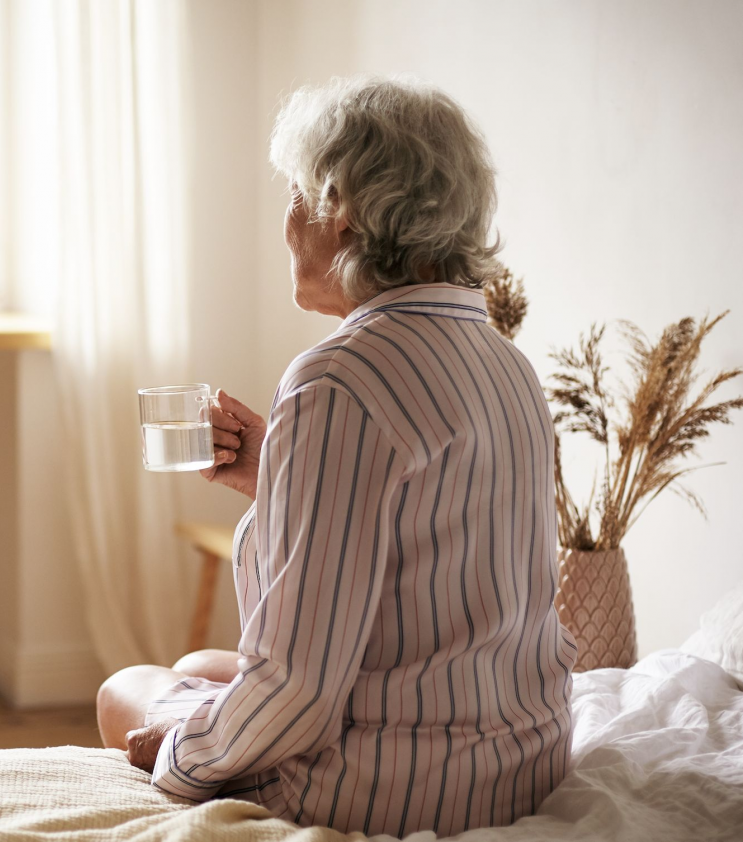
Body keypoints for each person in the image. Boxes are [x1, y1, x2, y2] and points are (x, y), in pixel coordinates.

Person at [96, 75, 577, 837]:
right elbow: (429, 540)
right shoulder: (503, 359)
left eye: (295, 193)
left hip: (405, 785)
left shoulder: (339, 378)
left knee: (127, 687)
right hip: (522, 756)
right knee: (195, 670)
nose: (286, 220)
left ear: (340, 208)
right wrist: (276, 477)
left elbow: (297, 684)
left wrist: (176, 756)